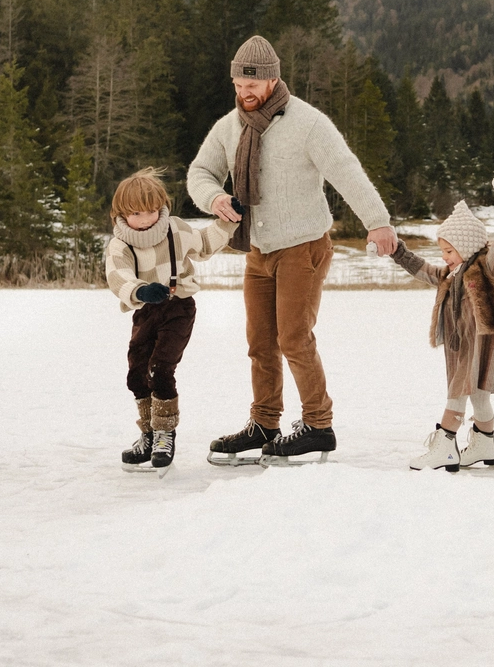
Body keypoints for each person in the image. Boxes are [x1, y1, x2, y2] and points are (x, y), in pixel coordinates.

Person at [187, 35, 396, 465]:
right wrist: (215, 198)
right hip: (258, 252)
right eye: (238, 85)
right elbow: (200, 171)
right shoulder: (230, 126)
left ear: (273, 80)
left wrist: (377, 221)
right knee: (260, 342)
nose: (244, 93)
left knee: (294, 338)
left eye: (252, 86)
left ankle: (319, 426)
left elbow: (346, 170)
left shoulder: (308, 122)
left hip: (303, 248)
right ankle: (264, 423)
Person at [104, 167, 239, 473]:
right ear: (123, 213)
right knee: (137, 372)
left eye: (152, 210)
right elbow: (117, 277)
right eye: (138, 213)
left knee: (160, 367)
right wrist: (140, 289)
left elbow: (204, 243)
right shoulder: (120, 245)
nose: (147, 218)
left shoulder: (175, 229)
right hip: (146, 310)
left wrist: (227, 221)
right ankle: (149, 434)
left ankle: (165, 433)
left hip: (178, 307)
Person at [387, 191, 494, 471]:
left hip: (484, 343)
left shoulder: (487, 267)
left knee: (458, 390)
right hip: (461, 344)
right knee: (478, 396)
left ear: (467, 246)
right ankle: (486, 442)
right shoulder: (449, 276)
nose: (444, 256)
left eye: (449, 251)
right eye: (443, 251)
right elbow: (423, 269)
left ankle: (446, 444)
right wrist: (398, 252)